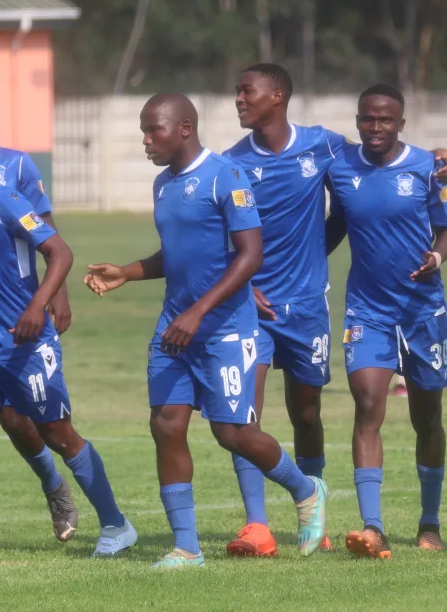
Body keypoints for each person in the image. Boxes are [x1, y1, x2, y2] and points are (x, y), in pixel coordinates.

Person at [83, 93, 327, 569]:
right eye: (143, 130)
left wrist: (198, 313)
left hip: (225, 330)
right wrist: (127, 272)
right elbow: (177, 255)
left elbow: (250, 256)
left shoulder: (226, 176)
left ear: (185, 128)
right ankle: (187, 547)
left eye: (154, 129)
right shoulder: (162, 184)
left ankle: (306, 490)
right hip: (175, 327)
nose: (146, 139)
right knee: (166, 424)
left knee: (233, 433)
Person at [222, 63, 447, 557]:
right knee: (248, 414)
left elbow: (407, 180)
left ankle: (346, 518)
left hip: (330, 308)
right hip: (272, 307)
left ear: (277, 96)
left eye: (246, 90)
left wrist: (438, 161)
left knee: (313, 414)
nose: (238, 98)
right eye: (367, 119)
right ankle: (264, 526)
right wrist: (241, 282)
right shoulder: (234, 162)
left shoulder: (326, 148)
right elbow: (219, 227)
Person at [0, 129, 136, 556]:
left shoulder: (4, 201)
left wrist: (37, 305)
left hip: (24, 343)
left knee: (59, 435)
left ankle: (116, 525)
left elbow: (60, 252)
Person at [326, 83, 447, 558]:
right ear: (357, 121)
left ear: (401, 124)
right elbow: (335, 224)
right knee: (368, 404)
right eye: (367, 118)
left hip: (422, 311)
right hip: (367, 310)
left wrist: (437, 257)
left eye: (385, 120)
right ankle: (372, 527)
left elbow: (445, 227)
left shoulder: (427, 168)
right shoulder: (340, 168)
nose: (375, 127)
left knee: (427, 419)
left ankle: (430, 522)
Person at [0, 88, 76, 542]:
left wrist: (56, 295)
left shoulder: (17, 165)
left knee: (16, 421)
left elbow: (47, 234)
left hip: (15, 316)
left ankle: (54, 486)